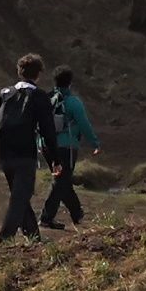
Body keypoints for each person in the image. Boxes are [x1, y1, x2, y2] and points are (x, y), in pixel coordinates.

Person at [0, 54, 61, 244]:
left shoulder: (4, 94)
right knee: (20, 198)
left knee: (20, 196)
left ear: (19, 72)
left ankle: (34, 238)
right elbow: (48, 131)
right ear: (38, 74)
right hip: (25, 154)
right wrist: (55, 158)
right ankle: (4, 240)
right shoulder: (39, 96)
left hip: (5, 154)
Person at [39, 65, 101, 230]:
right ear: (70, 82)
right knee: (60, 181)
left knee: (62, 180)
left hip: (46, 146)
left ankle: (77, 213)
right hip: (66, 147)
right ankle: (46, 217)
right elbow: (84, 124)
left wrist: (39, 142)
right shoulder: (73, 102)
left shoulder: (46, 99)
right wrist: (94, 143)